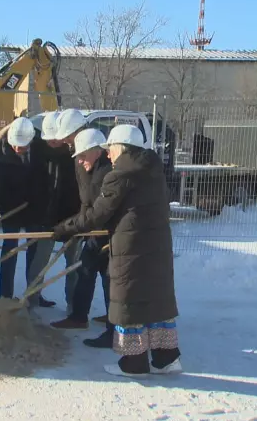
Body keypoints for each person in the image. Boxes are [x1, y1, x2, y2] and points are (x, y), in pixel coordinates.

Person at [52, 124, 181, 377]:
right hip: (157, 247)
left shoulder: (119, 175)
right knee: (155, 300)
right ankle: (167, 359)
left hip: (131, 249)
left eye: (110, 149)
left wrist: (64, 228)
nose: (108, 154)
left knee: (129, 302)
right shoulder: (153, 171)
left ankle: (134, 364)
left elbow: (97, 214)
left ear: (121, 147)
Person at [50, 129, 115, 348]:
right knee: (86, 270)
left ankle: (114, 328)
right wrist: (75, 224)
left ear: (97, 151)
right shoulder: (88, 169)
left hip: (108, 233)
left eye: (83, 155)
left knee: (109, 278)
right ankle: (79, 316)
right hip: (94, 230)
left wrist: (68, 227)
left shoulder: (105, 173)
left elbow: (99, 212)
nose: (79, 160)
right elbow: (86, 205)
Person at [0, 117, 55, 307]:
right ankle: (5, 297)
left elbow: (48, 177)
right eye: (15, 146)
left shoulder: (42, 150)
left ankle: (33, 294)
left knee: (34, 256)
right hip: (11, 210)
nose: (18, 149)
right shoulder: (0, 153)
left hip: (35, 209)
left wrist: (42, 200)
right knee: (9, 252)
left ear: (31, 140)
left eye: (22, 146)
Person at [27, 111, 83, 311]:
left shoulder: (75, 154)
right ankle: (31, 299)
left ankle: (74, 305)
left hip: (73, 216)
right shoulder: (38, 153)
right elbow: (36, 187)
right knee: (39, 262)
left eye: (56, 139)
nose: (53, 143)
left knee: (74, 265)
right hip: (47, 217)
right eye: (49, 140)